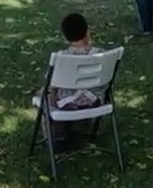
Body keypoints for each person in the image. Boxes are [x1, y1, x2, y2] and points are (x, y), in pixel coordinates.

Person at [42, 12, 105, 150]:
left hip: (66, 105)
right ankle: (81, 131)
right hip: (94, 103)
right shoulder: (101, 55)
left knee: (47, 95)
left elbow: (51, 84)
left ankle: (55, 137)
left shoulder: (61, 58)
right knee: (82, 93)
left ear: (65, 37)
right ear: (87, 32)